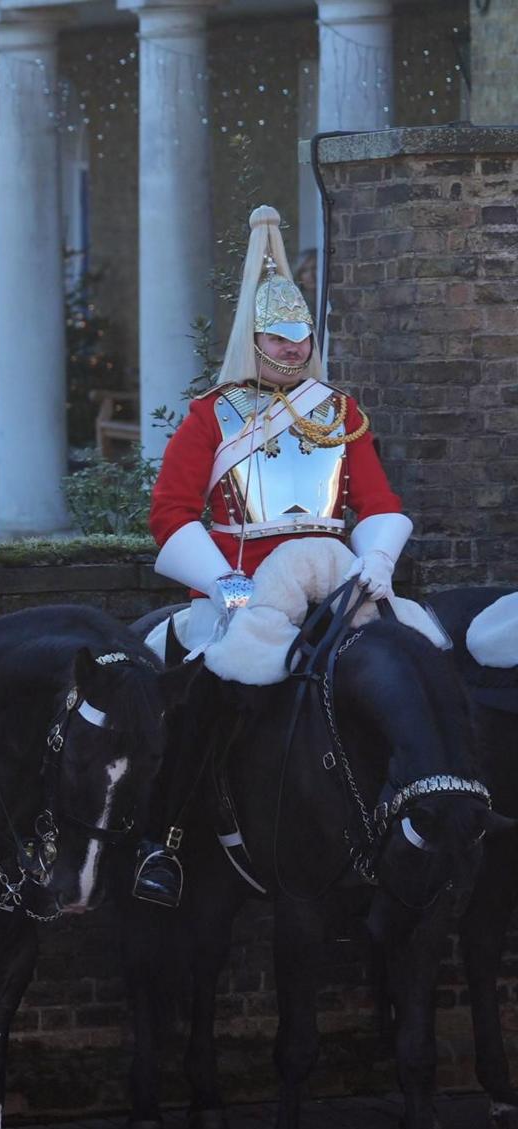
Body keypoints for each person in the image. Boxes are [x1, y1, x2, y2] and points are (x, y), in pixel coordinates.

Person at [132, 205, 405, 906]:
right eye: (276, 340)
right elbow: (169, 514)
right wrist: (218, 580)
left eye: (299, 338)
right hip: (241, 592)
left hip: (337, 588)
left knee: (414, 675)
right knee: (201, 700)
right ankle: (161, 842)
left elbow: (378, 505)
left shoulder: (340, 413)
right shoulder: (210, 416)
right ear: (253, 339)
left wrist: (376, 559)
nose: (290, 351)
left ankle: (413, 821)